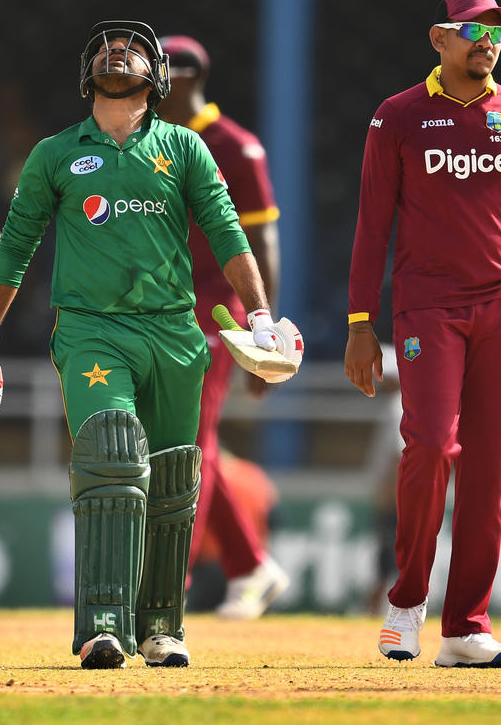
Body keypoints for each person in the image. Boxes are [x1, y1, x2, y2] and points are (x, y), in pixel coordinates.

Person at [0, 21, 296, 669]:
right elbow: (15, 249)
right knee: (110, 453)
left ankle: (161, 626)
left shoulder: (186, 148)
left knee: (174, 479)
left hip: (175, 333)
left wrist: (263, 315)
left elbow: (228, 233)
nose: (117, 53)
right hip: (91, 330)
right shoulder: (55, 154)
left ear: (156, 77)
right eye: (107, 48)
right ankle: (102, 624)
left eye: (132, 49)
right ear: (87, 74)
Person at [345, 0, 501, 668]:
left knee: (487, 470)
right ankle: (405, 604)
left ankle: (466, 628)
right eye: (475, 31)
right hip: (427, 307)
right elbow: (372, 226)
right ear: (439, 38)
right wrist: (360, 323)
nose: (488, 43)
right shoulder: (398, 116)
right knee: (428, 445)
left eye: (498, 34)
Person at [155, 34, 290, 620]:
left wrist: (267, 332)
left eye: (153, 71)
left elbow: (263, 242)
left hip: (216, 309)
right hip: (162, 308)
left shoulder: (236, 147)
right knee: (189, 441)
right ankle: (250, 565)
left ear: (182, 77)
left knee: (190, 437)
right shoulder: (147, 140)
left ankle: (171, 583)